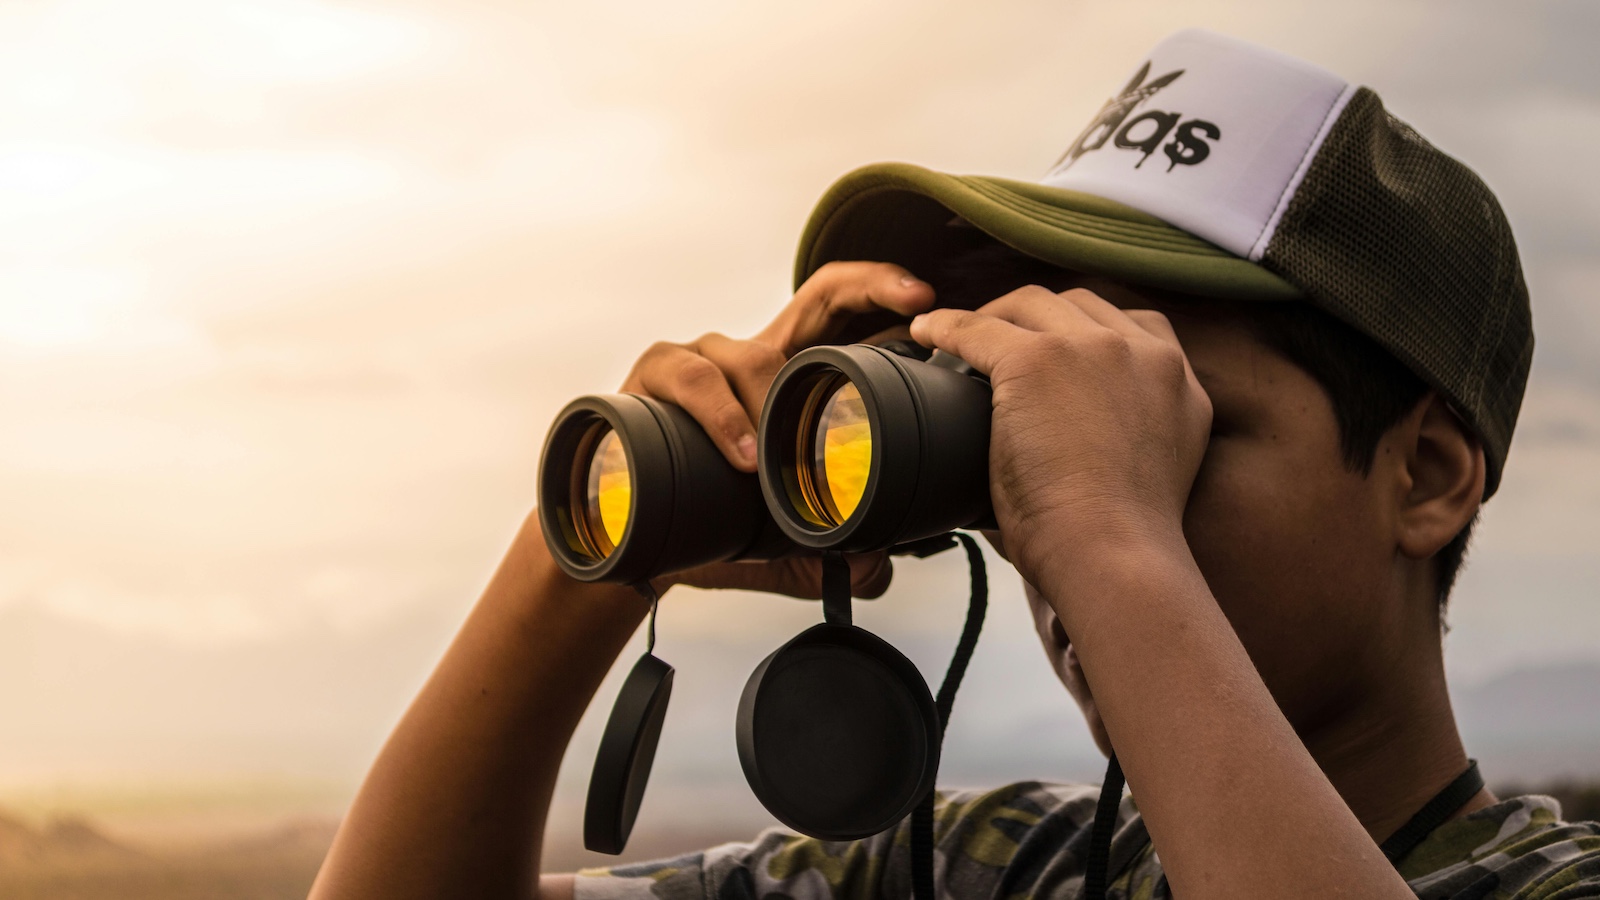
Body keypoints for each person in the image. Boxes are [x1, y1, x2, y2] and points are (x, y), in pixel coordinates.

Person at [309, 29, 1600, 900]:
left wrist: (1109, 530)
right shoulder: (1001, 865)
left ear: (1425, 473)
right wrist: (590, 546)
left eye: (1165, 416)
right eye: (1021, 410)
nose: (1042, 504)